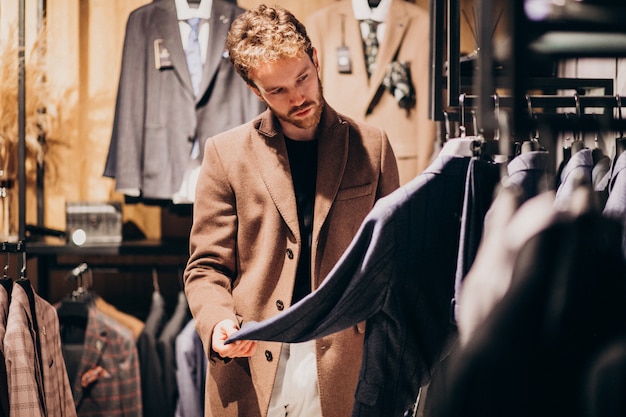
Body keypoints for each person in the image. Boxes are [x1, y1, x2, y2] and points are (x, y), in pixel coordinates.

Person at [183, 4, 400, 417]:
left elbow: (393, 262)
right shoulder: (225, 154)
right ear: (255, 91)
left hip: (346, 364)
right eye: (277, 90)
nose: (298, 97)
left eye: (302, 78)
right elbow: (206, 267)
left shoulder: (372, 147)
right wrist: (217, 323)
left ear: (315, 59)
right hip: (253, 361)